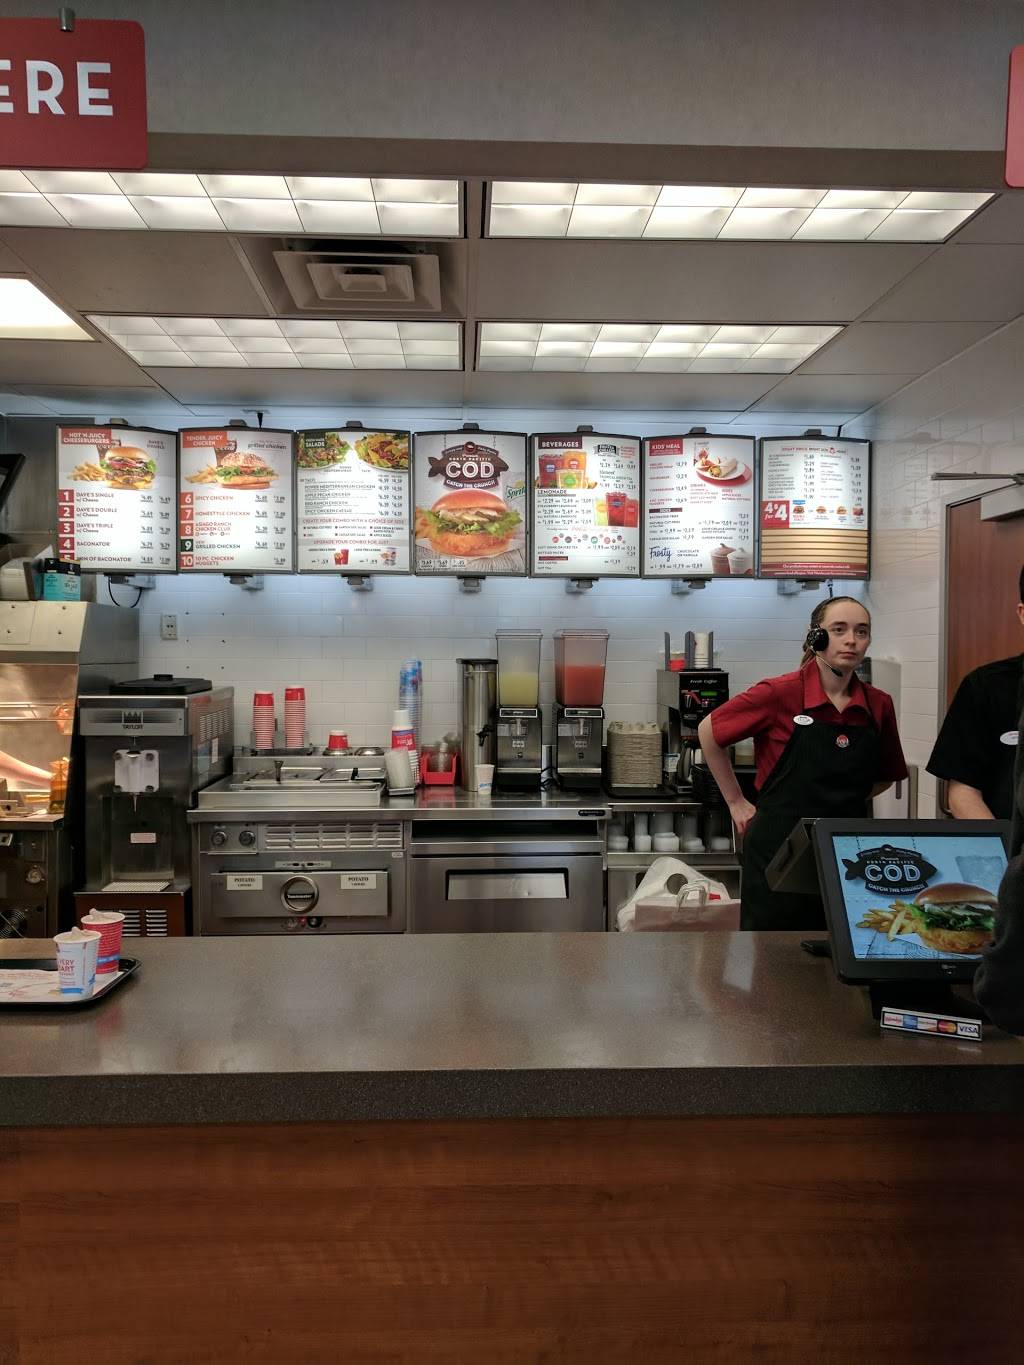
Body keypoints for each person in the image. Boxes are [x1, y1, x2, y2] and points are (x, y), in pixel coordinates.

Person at [697, 595, 907, 931]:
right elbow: (709, 731)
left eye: (861, 631)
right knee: (772, 953)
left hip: (846, 850)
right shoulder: (780, 693)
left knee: (842, 943)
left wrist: (840, 802)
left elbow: (886, 775)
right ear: (816, 637)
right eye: (839, 630)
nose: (851, 640)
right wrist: (736, 802)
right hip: (777, 849)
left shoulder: (879, 704)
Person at [926, 565, 1024, 821]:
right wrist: (1002, 846)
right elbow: (963, 792)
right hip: (1007, 844)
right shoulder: (985, 686)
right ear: (1022, 614)